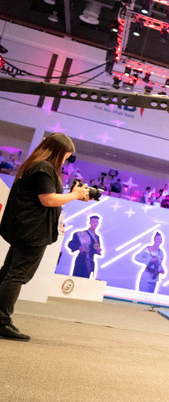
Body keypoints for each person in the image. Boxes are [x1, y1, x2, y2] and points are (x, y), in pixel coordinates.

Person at [0, 134, 89, 341]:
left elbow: (47, 197)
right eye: (65, 157)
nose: (65, 161)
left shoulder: (36, 166)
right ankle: (2, 321)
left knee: (9, 272)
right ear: (58, 152)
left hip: (25, 228)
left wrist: (71, 194)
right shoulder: (44, 168)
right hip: (32, 231)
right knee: (17, 275)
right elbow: (48, 200)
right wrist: (75, 195)